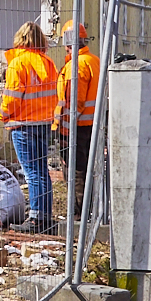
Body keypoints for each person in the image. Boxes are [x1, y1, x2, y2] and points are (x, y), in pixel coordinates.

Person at [0, 21, 60, 233]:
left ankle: (35, 220)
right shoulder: (48, 63)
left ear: (19, 39)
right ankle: (44, 216)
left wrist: (1, 114)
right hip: (44, 124)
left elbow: (12, 99)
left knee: (32, 173)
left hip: (23, 125)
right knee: (42, 172)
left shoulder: (18, 64)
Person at [56, 19, 100, 213]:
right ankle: (87, 210)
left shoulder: (77, 65)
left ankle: (79, 214)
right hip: (91, 124)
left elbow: (75, 103)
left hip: (77, 126)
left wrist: (63, 127)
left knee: (75, 170)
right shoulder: (93, 60)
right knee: (86, 167)